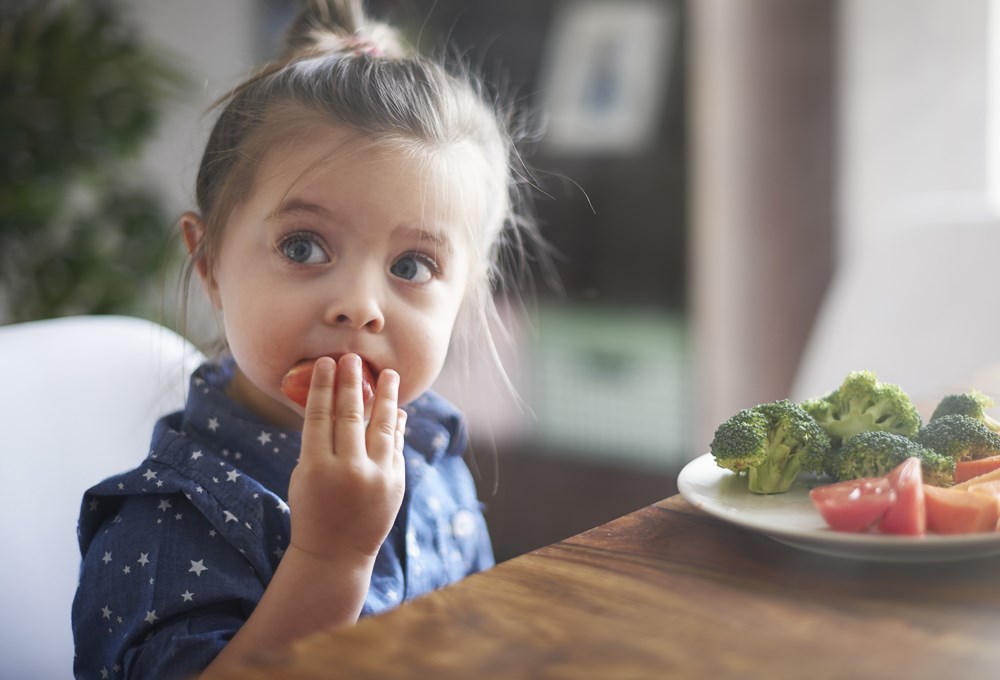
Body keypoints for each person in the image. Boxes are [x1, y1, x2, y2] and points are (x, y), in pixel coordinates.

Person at [71, 0, 546, 676]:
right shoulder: (167, 520)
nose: (359, 306)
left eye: (412, 266)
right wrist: (331, 557)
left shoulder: (433, 452)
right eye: (303, 246)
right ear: (209, 265)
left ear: (464, 301)